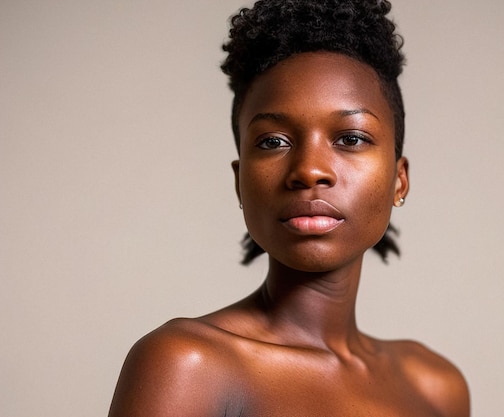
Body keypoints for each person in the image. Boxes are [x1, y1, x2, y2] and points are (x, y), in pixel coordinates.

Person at [108, 0, 470, 416]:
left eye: (351, 138)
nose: (309, 170)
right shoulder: (186, 364)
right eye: (273, 142)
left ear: (399, 180)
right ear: (239, 181)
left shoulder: (436, 388)